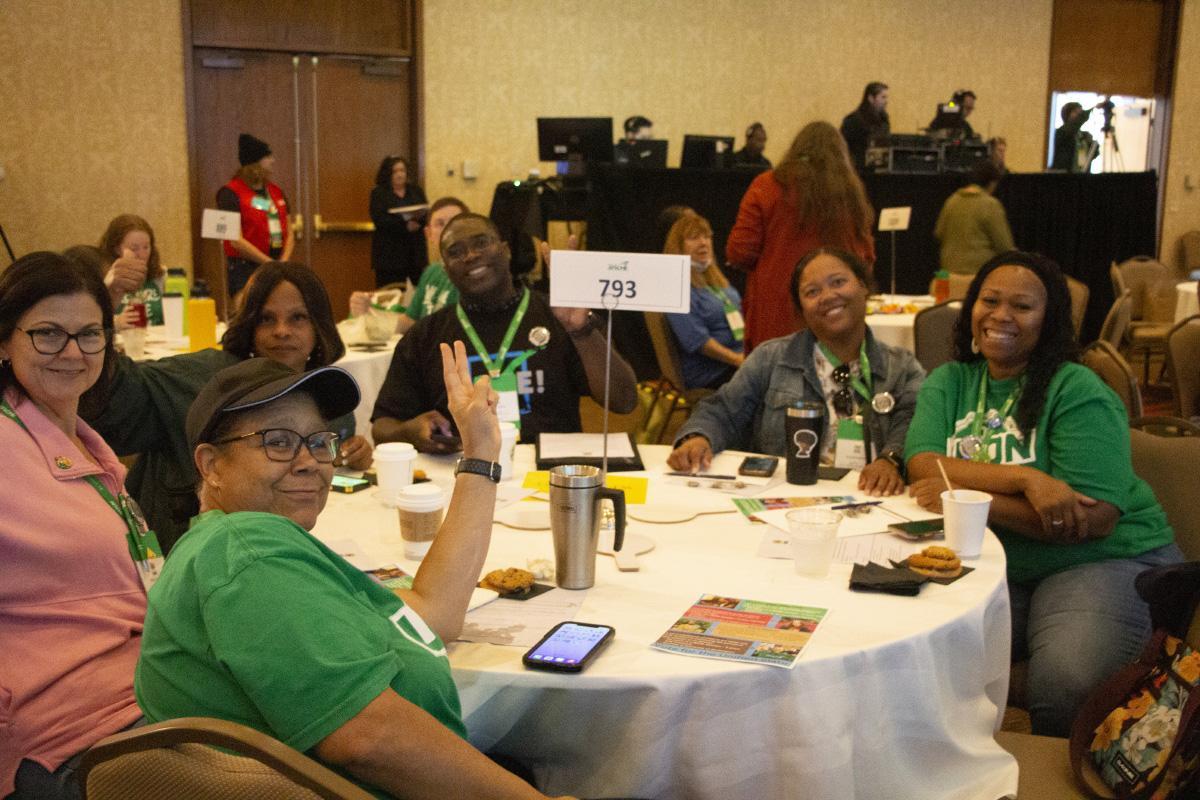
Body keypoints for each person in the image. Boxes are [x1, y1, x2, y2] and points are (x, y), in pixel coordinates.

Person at [134, 354, 569, 800]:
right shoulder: (246, 555)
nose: (309, 462)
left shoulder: (257, 546)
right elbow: (368, 741)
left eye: (320, 441)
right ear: (211, 465)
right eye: (278, 441)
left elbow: (433, 614)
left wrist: (481, 452)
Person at [903, 251, 1180, 736]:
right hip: (996, 562)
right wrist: (1027, 480)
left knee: (1066, 684)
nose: (1001, 316)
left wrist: (965, 492)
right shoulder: (951, 381)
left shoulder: (1077, 389)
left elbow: (1089, 521)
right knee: (907, 647)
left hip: (1101, 558)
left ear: (1048, 320)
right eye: (989, 300)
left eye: (1022, 306)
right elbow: (925, 464)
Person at [84, 261, 371, 555]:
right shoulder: (202, 379)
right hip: (185, 559)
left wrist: (352, 454)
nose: (282, 331)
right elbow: (108, 398)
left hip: (279, 551)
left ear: (319, 327)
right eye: (266, 319)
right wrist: (98, 317)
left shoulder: (325, 394)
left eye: (298, 318)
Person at [0, 252, 146, 800]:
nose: (72, 352)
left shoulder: (86, 446)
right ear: (3, 341)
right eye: (47, 335)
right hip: (65, 743)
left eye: (89, 335)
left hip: (140, 699)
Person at [372, 213, 638, 453]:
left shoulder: (561, 317)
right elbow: (382, 426)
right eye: (456, 251)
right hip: (463, 471)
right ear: (446, 270)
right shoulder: (425, 335)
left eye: (481, 243)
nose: (470, 256)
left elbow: (624, 401)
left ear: (506, 251)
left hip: (548, 471)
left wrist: (581, 331)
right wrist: (409, 432)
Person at [670, 249, 924, 496]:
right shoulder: (770, 358)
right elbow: (722, 410)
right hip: (788, 496)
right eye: (812, 292)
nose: (827, 296)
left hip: (870, 496)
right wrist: (698, 437)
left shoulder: (902, 368)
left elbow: (915, 424)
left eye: (838, 282)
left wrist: (890, 460)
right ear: (801, 307)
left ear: (863, 285)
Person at [726, 120, 876, 352]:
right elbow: (865, 258)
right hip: (836, 317)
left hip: (777, 315)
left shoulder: (767, 185)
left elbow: (739, 251)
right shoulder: (850, 192)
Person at [350, 196, 469, 334]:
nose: (448, 230)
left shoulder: (472, 275)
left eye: (455, 222)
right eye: (440, 224)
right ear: (428, 234)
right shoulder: (431, 271)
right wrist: (369, 313)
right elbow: (409, 321)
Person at [663, 213, 744, 389]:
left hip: (740, 360)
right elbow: (697, 341)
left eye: (706, 236)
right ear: (678, 247)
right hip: (710, 372)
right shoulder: (678, 288)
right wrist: (739, 360)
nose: (703, 242)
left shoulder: (718, 282)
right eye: (693, 237)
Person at [217, 133, 293, 296]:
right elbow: (236, 240)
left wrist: (282, 263)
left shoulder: (276, 191)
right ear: (255, 162)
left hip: (278, 268)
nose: (273, 160)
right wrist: (269, 263)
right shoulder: (230, 193)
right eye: (268, 156)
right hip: (246, 269)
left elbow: (290, 230)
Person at [934, 159, 1015, 276]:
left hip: (947, 275)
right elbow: (1004, 247)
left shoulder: (952, 200)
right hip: (977, 278)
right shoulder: (991, 204)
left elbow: (938, 233)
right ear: (992, 183)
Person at [369, 155, 429, 288]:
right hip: (389, 256)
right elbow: (379, 219)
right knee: (390, 294)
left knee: (415, 292)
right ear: (388, 174)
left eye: (402, 170)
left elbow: (426, 213)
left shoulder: (416, 191)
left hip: (414, 255)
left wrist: (419, 222)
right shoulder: (379, 193)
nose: (400, 174)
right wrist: (404, 226)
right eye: (395, 171)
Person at [99, 214, 165, 325]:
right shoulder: (106, 278)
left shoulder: (161, 275)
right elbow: (91, 322)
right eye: (134, 248)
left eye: (146, 247)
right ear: (117, 249)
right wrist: (116, 322)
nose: (142, 254)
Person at [839, 81, 890, 171]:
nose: (886, 101)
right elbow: (842, 148)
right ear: (871, 98)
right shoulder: (853, 120)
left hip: (879, 170)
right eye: (883, 97)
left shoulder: (884, 120)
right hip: (858, 171)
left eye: (886, 97)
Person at [1050, 102, 1094, 172]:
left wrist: (1091, 144)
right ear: (1067, 115)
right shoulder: (1060, 133)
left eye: (1080, 111)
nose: (1079, 114)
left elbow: (1090, 156)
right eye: (1075, 112)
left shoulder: (1083, 136)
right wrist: (1092, 109)